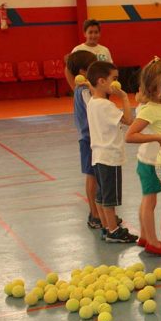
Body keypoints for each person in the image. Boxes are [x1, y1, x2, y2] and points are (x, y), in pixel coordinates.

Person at [125, 57, 161, 256]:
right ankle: (152, 240)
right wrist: (158, 137)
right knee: (150, 200)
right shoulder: (148, 108)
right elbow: (130, 135)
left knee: (152, 200)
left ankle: (145, 236)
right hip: (149, 160)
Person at [84, 60, 137, 243]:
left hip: (98, 155)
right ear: (101, 81)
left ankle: (107, 226)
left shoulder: (92, 101)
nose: (116, 82)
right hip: (110, 156)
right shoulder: (106, 106)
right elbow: (129, 120)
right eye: (113, 78)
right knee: (110, 198)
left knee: (101, 194)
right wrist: (123, 97)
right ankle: (113, 230)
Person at [66, 50, 100, 229]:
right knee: (92, 176)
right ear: (82, 72)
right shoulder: (84, 91)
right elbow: (95, 107)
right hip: (88, 139)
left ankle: (100, 212)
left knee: (97, 176)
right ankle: (94, 214)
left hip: (93, 139)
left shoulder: (84, 89)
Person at [65, 19, 113, 90]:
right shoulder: (78, 50)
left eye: (96, 32)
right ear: (85, 34)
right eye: (90, 32)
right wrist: (74, 89)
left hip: (101, 89)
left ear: (99, 33)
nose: (93, 35)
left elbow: (110, 70)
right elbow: (68, 70)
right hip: (85, 89)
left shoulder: (105, 50)